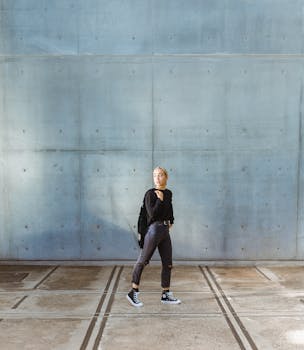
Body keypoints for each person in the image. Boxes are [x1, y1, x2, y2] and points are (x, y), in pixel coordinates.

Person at [126, 166, 181, 307]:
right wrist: (160, 200)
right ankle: (133, 291)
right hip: (154, 230)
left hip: (164, 230)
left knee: (168, 263)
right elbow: (152, 214)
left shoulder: (168, 193)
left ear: (166, 177)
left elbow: (170, 211)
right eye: (155, 175)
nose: (157, 178)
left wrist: (171, 222)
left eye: (160, 175)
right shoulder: (150, 194)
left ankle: (165, 294)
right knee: (143, 260)